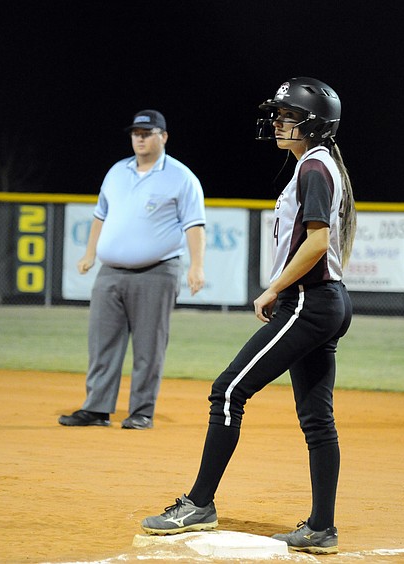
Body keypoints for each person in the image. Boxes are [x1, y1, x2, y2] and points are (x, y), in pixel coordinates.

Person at [141, 78, 356, 555]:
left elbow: (317, 242)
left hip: (308, 299)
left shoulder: (314, 169)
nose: (277, 121)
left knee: (228, 389)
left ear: (314, 123)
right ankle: (321, 528)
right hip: (327, 300)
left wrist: (275, 288)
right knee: (317, 419)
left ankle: (198, 504)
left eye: (287, 114)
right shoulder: (319, 166)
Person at [59, 109, 206, 430]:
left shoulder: (181, 177)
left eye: (147, 132)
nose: (139, 138)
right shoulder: (116, 172)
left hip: (157, 271)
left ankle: (141, 410)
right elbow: (100, 216)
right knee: (102, 343)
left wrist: (196, 266)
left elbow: (195, 225)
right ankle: (97, 408)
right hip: (110, 271)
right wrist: (89, 254)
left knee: (148, 346)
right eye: (136, 133)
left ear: (163, 136)